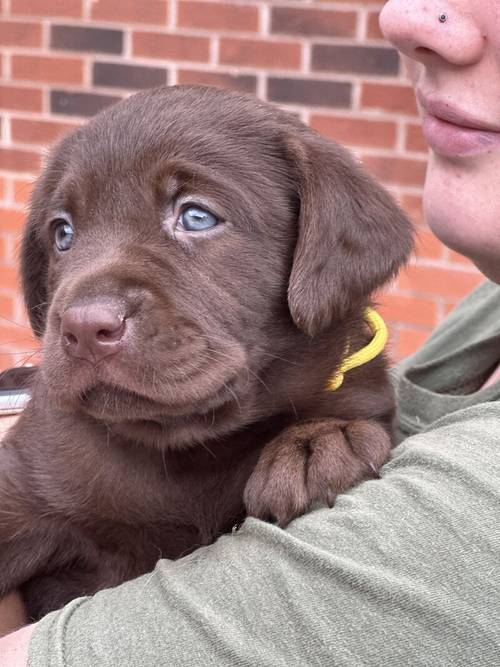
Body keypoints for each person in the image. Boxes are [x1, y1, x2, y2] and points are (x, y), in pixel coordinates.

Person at [2, 0, 500, 664]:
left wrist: (335, 432)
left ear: (320, 250)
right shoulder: (60, 450)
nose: (85, 307)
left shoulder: (384, 439)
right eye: (64, 234)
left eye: (198, 216)